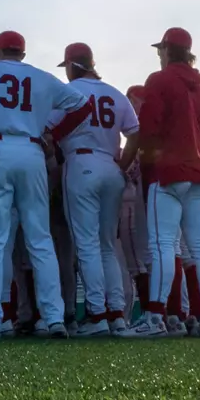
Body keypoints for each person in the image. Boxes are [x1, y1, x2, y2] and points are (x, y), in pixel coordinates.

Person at [0, 31, 92, 340]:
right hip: (32, 150)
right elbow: (83, 106)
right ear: (22, 54)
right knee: (40, 239)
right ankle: (54, 318)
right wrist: (53, 133)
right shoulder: (40, 76)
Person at [127, 26, 200, 339]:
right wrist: (194, 154)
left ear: (167, 49)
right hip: (199, 173)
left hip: (168, 173)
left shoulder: (160, 79)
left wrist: (154, 154)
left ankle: (154, 317)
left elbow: (149, 127)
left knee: (162, 244)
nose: (159, 54)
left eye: (160, 49)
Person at [50, 43, 140, 336]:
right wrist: (123, 166)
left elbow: (48, 130)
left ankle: (97, 315)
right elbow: (135, 134)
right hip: (110, 166)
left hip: (81, 163)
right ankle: (116, 316)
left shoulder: (68, 93)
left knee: (87, 245)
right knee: (106, 247)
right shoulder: (114, 93)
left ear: (72, 65)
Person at [116, 84, 149, 320]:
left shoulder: (140, 134)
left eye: (132, 100)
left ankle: (149, 312)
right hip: (148, 203)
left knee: (136, 264)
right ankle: (171, 313)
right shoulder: (150, 130)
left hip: (133, 204)